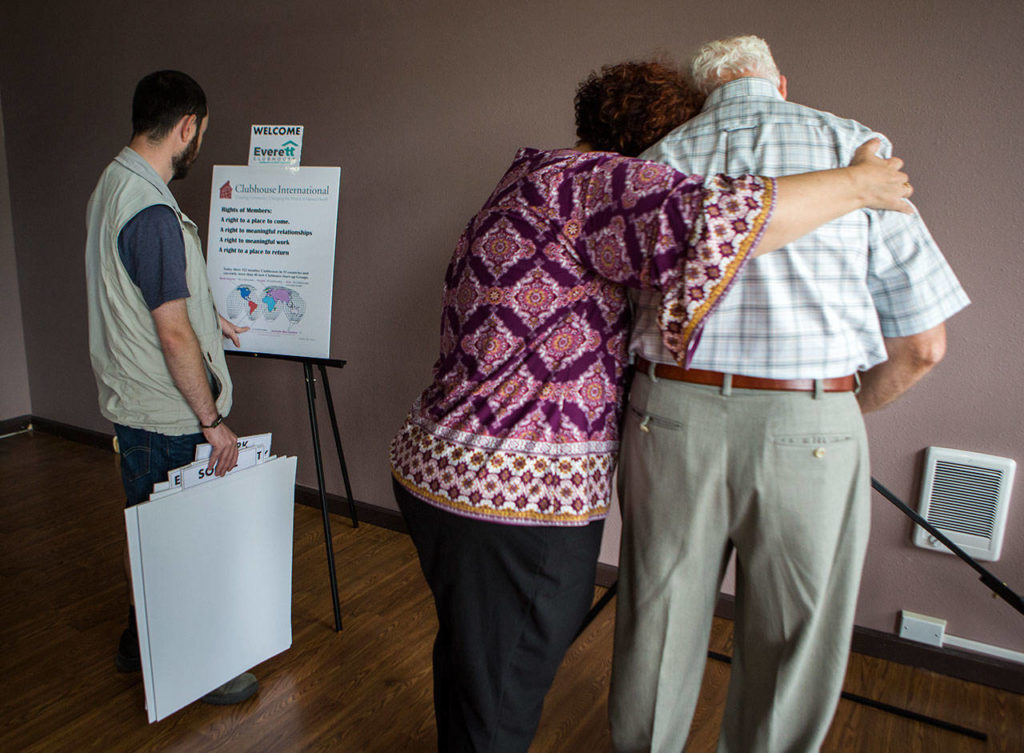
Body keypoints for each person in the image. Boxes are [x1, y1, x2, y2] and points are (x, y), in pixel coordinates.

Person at [388, 60, 915, 753]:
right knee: (504, 682)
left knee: (475, 656)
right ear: (652, 151)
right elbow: (725, 224)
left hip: (438, 465)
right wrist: (858, 183)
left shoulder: (530, 175)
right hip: (512, 494)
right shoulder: (604, 185)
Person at [610, 37, 970, 753]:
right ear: (779, 81)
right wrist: (836, 413)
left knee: (656, 624)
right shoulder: (857, 151)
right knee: (794, 642)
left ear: (702, 90)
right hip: (811, 421)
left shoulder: (653, 162)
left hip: (670, 415)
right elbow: (924, 346)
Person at [85, 70, 257, 706]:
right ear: (185, 127)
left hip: (134, 409)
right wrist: (212, 421)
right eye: (201, 134)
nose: (198, 146)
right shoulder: (153, 211)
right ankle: (198, 670)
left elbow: (144, 295)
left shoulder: (115, 183)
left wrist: (214, 318)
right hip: (168, 417)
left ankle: (139, 641)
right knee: (179, 548)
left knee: (148, 531)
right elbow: (172, 334)